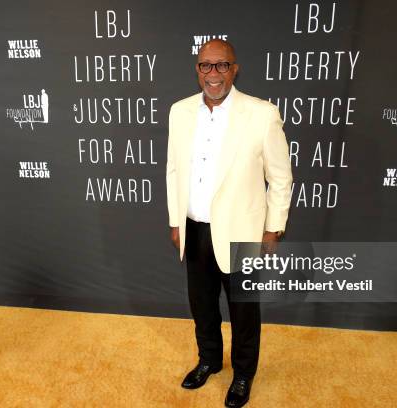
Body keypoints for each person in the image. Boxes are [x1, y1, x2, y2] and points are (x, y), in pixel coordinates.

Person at [166, 39, 293, 407]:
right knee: (201, 305)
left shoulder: (261, 113)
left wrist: (272, 229)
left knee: (243, 309)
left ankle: (243, 374)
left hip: (243, 232)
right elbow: (174, 170)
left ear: (235, 69)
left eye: (222, 65)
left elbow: (281, 178)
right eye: (206, 66)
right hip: (195, 229)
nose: (213, 74)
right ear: (197, 70)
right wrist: (176, 221)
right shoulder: (180, 111)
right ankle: (208, 360)